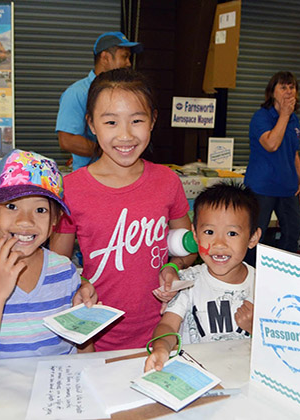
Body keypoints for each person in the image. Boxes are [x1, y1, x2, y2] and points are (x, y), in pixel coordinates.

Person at [50, 68, 196, 353]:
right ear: (91, 124)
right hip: (94, 338)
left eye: (137, 120)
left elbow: (188, 247)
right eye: (111, 122)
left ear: (153, 120)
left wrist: (173, 266)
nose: (125, 135)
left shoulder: (167, 181)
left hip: (163, 332)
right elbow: (58, 264)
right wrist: (80, 284)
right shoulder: (71, 189)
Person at [0, 150, 98, 379]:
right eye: (11, 206)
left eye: (40, 210)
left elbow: (83, 351)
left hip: (56, 389)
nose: (25, 221)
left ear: (55, 218)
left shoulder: (65, 271)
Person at [144, 182, 261, 372]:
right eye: (209, 232)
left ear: (253, 238)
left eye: (232, 233)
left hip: (244, 378)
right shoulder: (187, 282)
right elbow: (168, 326)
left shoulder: (263, 284)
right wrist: (161, 348)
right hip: (195, 377)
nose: (219, 243)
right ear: (195, 235)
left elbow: (280, 343)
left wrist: (256, 328)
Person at [56, 31, 143, 171]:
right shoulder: (77, 93)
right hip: (90, 176)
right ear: (105, 57)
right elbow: (67, 140)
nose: (128, 63)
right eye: (124, 57)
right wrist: (111, 151)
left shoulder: (128, 92)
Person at [244, 71, 300, 266]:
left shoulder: (294, 119)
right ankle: (250, 273)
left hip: (287, 187)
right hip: (262, 187)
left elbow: (294, 151)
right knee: (255, 235)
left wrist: (299, 177)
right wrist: (284, 114)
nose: (289, 91)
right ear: (272, 92)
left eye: (292, 87)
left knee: (293, 231)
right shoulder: (261, 117)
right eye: (283, 87)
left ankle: (283, 272)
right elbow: (271, 144)